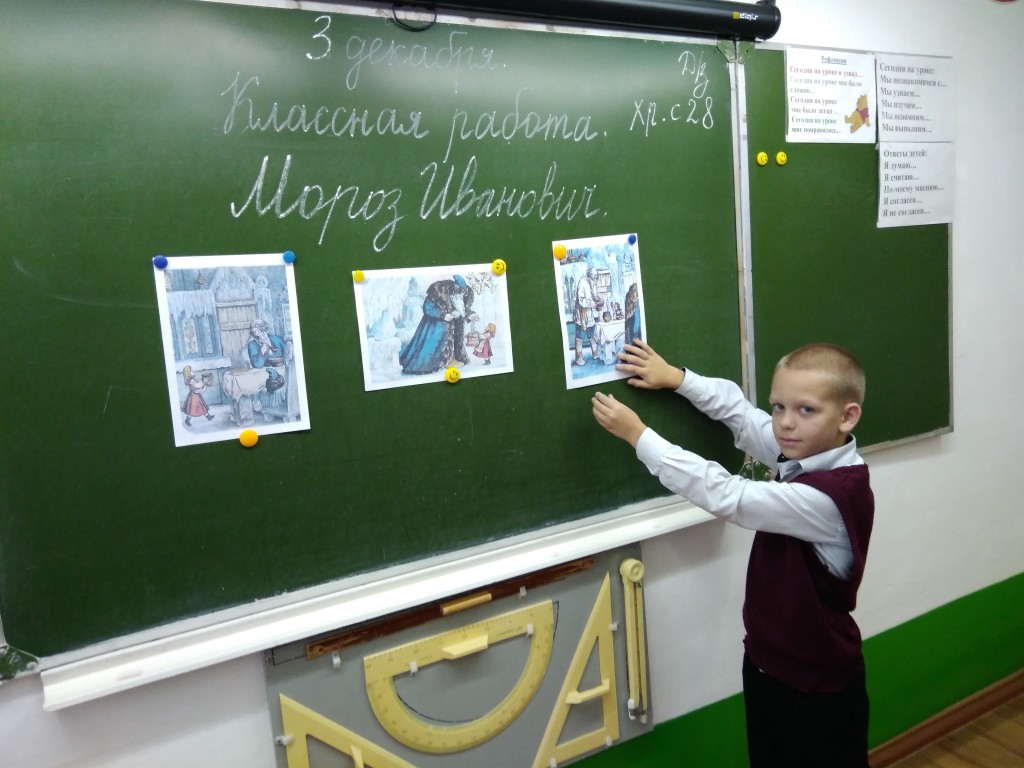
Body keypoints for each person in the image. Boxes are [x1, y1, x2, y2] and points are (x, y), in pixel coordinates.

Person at [592, 340, 874, 768]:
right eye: (778, 406)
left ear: (847, 416)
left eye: (806, 410)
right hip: (768, 666)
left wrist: (638, 435)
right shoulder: (805, 450)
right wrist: (678, 379)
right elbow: (741, 414)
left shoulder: (830, 497)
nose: (785, 423)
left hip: (815, 686)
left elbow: (728, 495)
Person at [400, 275, 477, 375]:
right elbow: (427, 308)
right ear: (453, 291)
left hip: (454, 328)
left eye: (462, 295)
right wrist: (443, 315)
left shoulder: (461, 298)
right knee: (432, 348)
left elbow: (463, 310)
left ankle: (452, 359)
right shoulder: (437, 294)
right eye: (458, 295)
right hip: (436, 328)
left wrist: (470, 315)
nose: (460, 297)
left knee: (454, 343)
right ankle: (434, 363)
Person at [573, 266, 604, 365]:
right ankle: (578, 358)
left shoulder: (593, 282)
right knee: (580, 335)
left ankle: (595, 353)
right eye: (593, 277)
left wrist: (598, 299)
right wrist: (590, 303)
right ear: (589, 275)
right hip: (581, 313)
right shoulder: (582, 282)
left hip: (589, 313)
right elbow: (580, 300)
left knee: (592, 333)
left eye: (596, 277)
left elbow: (594, 295)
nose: (595, 279)